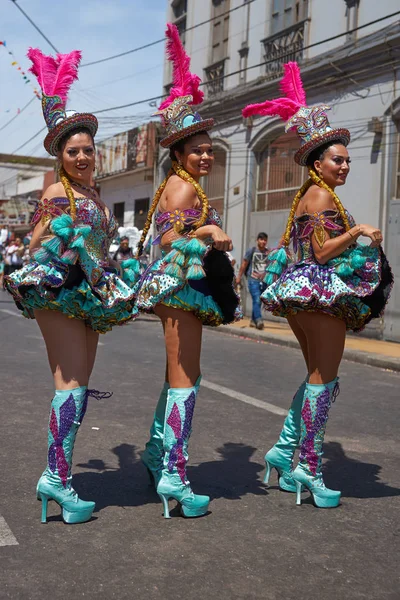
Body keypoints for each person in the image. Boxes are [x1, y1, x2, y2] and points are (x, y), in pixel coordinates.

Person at [242, 62, 393, 509]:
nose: (345, 165)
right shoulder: (322, 195)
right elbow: (324, 253)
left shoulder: (306, 196)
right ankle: (308, 467)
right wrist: (360, 230)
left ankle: (284, 451)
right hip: (321, 296)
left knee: (315, 379)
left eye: (347, 159)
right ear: (317, 162)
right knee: (324, 382)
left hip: (303, 296)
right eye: (338, 159)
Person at [4, 48, 138, 524]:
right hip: (59, 288)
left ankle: (58, 476)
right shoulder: (58, 192)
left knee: (79, 388)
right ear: (60, 156)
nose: (82, 156)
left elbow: (98, 249)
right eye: (72, 150)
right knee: (71, 383)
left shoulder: (93, 194)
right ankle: (56, 480)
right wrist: (61, 230)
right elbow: (37, 238)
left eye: (87, 149)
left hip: (92, 290)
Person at [135, 24, 241, 519]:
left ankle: (159, 457)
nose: (204, 155)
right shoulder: (181, 188)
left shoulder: (187, 186)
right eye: (194, 148)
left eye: (207, 148)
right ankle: (174, 477)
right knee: (184, 379)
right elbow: (167, 240)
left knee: (184, 376)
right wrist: (206, 234)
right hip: (180, 290)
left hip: (185, 290)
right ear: (176, 153)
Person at [236, 232, 269, 329]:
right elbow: (244, 264)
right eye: (261, 239)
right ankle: (259, 320)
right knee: (257, 299)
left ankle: (253, 320)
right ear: (257, 240)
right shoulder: (252, 251)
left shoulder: (268, 253)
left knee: (259, 301)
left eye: (265, 240)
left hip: (263, 281)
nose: (263, 242)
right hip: (252, 279)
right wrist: (239, 276)